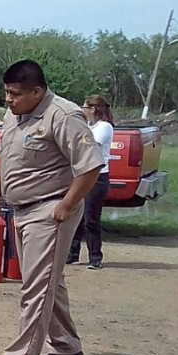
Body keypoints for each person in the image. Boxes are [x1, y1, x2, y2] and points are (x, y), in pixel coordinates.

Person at [0, 60, 104, 355]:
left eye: (15, 94)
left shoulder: (63, 116)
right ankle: (67, 346)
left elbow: (90, 166)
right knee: (49, 281)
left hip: (49, 210)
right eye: (6, 92)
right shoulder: (13, 114)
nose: (8, 99)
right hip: (20, 208)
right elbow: (4, 155)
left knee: (36, 285)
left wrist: (67, 204)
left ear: (38, 91)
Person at [67, 95, 114, 270]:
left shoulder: (104, 127)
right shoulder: (87, 126)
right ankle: (73, 253)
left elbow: (88, 144)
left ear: (93, 109)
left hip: (97, 176)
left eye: (85, 108)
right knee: (75, 215)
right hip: (80, 174)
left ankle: (95, 257)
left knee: (90, 219)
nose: (82, 111)